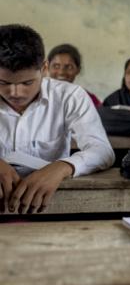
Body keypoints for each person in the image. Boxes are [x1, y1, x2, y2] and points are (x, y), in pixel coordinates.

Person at [0, 24, 114, 214]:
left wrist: (63, 167)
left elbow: (102, 150)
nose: (15, 93)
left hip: (52, 206)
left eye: (27, 83)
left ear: (44, 69)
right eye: (3, 83)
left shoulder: (70, 96)